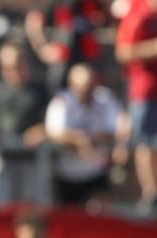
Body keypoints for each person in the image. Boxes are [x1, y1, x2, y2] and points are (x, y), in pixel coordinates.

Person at [0, 42, 48, 205]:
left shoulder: (38, 90)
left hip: (29, 156)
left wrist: (40, 131)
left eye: (17, 65)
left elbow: (50, 122)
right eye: (7, 67)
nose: (12, 71)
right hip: (0, 153)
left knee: (31, 204)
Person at [44, 63, 121, 206]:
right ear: (72, 85)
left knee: (100, 214)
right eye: (83, 87)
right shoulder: (62, 102)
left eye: (90, 85)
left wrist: (91, 139)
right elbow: (54, 132)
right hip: (68, 173)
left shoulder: (104, 98)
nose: (87, 91)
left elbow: (114, 128)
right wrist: (78, 139)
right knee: (71, 218)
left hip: (97, 170)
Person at [115, 0, 157, 214]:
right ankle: (151, 195)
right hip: (146, 92)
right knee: (147, 143)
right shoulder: (138, 12)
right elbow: (123, 51)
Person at [25, 0, 109, 92]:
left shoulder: (92, 3)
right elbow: (34, 21)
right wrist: (42, 47)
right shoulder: (59, 3)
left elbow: (106, 21)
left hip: (88, 62)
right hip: (63, 61)